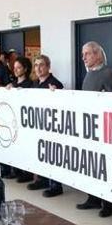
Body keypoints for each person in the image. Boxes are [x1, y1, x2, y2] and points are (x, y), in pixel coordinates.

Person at [75, 41, 112, 217]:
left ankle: (108, 204)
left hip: (105, 130)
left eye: (87, 54)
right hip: (90, 129)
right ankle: (93, 198)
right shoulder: (89, 75)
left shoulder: (108, 74)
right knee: (91, 165)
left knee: (105, 166)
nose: (83, 58)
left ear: (97, 55)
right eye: (83, 54)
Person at [26, 54, 65, 197]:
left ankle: (56, 185)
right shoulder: (34, 83)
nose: (38, 68)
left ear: (48, 67)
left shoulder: (55, 83)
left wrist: (56, 93)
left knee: (52, 155)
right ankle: (42, 179)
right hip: (38, 125)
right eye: (36, 65)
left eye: (41, 65)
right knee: (40, 154)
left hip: (51, 128)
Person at [4, 56, 34, 182]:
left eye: (19, 67)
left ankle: (26, 173)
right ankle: (15, 170)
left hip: (25, 120)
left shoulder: (30, 84)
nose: (15, 70)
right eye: (14, 68)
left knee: (25, 146)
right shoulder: (13, 84)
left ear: (25, 69)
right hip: (13, 120)